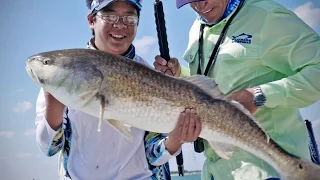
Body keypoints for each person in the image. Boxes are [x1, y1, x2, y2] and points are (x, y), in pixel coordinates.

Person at [35, 0, 202, 179]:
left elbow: (154, 153)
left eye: (129, 18)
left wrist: (175, 140)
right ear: (92, 20)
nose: (120, 24)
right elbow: (50, 147)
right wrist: (54, 103)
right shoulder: (68, 70)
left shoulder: (150, 75)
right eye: (110, 16)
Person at [154, 0, 320, 179]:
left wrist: (259, 95)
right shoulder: (196, 29)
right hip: (217, 172)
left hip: (270, 170)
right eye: (191, 1)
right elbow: (214, 87)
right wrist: (180, 74)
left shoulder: (266, 16)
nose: (200, 6)